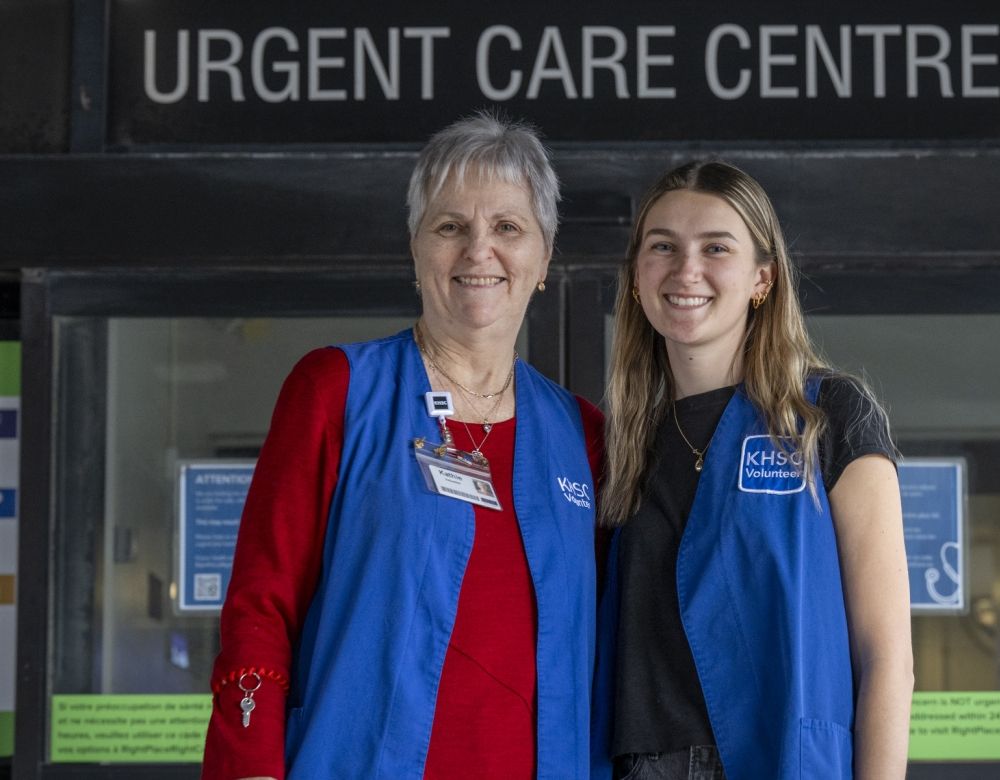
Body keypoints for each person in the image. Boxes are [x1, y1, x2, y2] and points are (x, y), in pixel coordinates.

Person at [201, 112, 604, 780]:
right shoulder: (335, 391)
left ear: (544, 260)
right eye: (451, 227)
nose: (479, 251)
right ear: (416, 250)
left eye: (507, 227)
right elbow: (261, 602)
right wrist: (250, 764)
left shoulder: (583, 436)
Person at [591, 161, 913, 779]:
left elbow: (887, 657)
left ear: (761, 278)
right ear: (637, 276)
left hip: (778, 761)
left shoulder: (828, 415)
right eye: (664, 246)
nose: (687, 270)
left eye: (716, 247)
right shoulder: (625, 444)